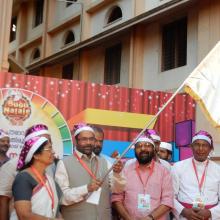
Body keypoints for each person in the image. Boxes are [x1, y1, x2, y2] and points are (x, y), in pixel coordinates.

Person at [55, 123, 125, 220]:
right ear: (76, 141)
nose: (88, 142)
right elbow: (61, 198)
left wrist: (117, 174)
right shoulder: (64, 163)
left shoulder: (106, 162)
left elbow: (117, 190)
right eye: (84, 139)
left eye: (92, 139)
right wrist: (86, 188)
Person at [112, 133, 174, 220]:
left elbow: (168, 200)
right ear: (134, 150)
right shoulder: (126, 170)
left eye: (147, 145)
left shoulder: (164, 172)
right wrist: (128, 218)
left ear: (153, 149)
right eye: (139, 146)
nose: (143, 148)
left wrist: (150, 218)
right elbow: (117, 198)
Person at [0, 124, 51, 220]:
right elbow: (3, 201)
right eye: (41, 140)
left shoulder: (50, 165)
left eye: (48, 141)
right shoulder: (11, 166)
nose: (46, 143)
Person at [171, 130, 220, 220]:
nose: (200, 148)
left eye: (204, 145)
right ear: (191, 147)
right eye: (197, 145)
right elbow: (170, 196)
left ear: (210, 148)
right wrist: (183, 211)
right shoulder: (178, 167)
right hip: (185, 216)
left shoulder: (218, 170)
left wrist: (210, 212)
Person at [11, 136, 61, 220]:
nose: (53, 152)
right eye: (49, 149)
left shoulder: (49, 178)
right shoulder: (23, 178)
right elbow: (23, 215)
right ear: (36, 155)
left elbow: (54, 209)